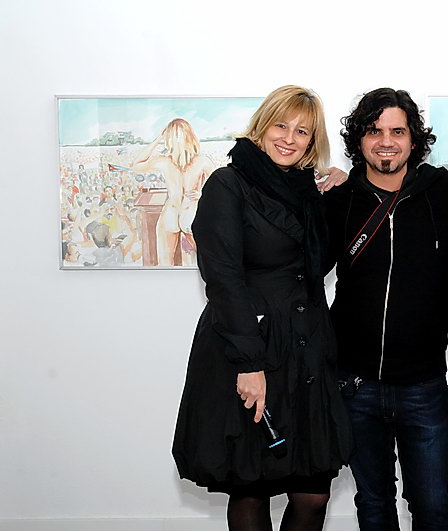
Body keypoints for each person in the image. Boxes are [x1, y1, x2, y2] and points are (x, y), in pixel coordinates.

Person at [172, 85, 353, 531]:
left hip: (306, 351)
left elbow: (318, 265)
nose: (289, 138)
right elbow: (223, 280)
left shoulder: (308, 192)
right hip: (250, 346)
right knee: (250, 486)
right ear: (261, 126)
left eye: (302, 131)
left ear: (312, 141)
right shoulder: (227, 184)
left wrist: (338, 194)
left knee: (312, 492)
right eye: (281, 125)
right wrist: (249, 364)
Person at [324, 88, 448, 530]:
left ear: (413, 139)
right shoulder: (339, 199)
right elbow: (300, 267)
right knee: (373, 504)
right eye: (374, 130)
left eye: (397, 131)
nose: (386, 141)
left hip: (422, 384)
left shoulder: (446, 194)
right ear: (359, 139)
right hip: (355, 384)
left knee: (433, 506)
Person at [130, 118, 215, 266]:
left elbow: (136, 165)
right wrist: (202, 195)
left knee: (165, 264)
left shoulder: (164, 161)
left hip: (171, 213)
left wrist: (157, 140)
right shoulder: (203, 161)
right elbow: (220, 186)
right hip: (191, 212)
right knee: (206, 262)